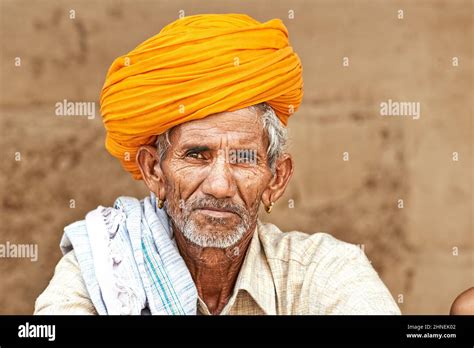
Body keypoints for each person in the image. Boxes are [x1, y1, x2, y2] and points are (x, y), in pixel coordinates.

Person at [34, 13, 400, 315]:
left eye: (243, 159)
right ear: (153, 172)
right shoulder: (103, 270)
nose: (220, 186)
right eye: (196, 155)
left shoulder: (325, 271)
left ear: (277, 179)